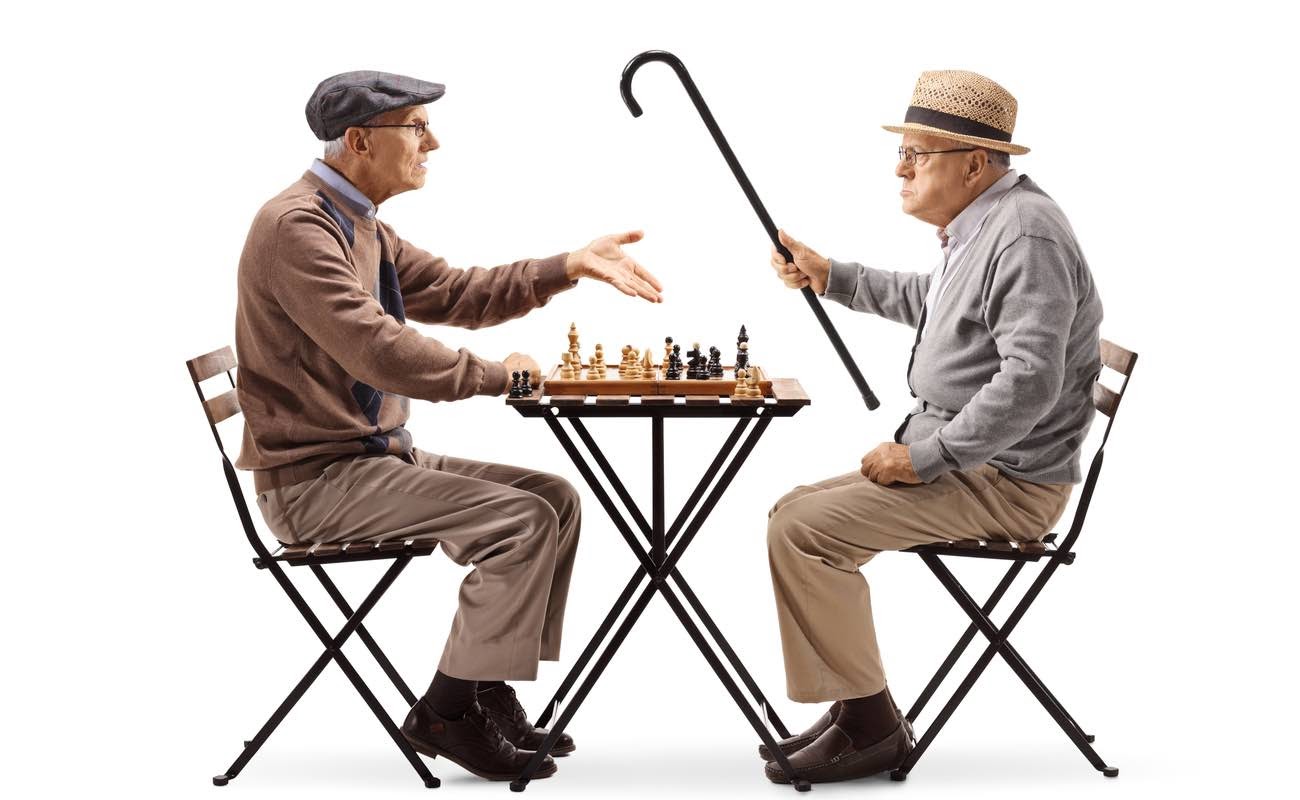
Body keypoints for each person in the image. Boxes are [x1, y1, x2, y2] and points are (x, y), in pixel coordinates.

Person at [233, 70, 663, 782]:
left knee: (552, 499)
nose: (433, 140)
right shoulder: (297, 227)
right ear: (360, 140)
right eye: (416, 126)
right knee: (520, 522)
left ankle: (483, 687)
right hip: (316, 482)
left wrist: (569, 266)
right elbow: (379, 348)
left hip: (374, 460)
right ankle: (445, 713)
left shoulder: (359, 223)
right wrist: (501, 377)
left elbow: (458, 293)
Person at [762, 70, 1103, 784]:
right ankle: (860, 708)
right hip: (975, 461)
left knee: (803, 533)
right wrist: (834, 276)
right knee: (793, 511)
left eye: (918, 153)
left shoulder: (1026, 236)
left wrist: (928, 459)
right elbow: (939, 300)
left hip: (1006, 482)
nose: (900, 167)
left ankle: (872, 727)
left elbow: (1031, 379)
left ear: (974, 164)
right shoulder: (989, 223)